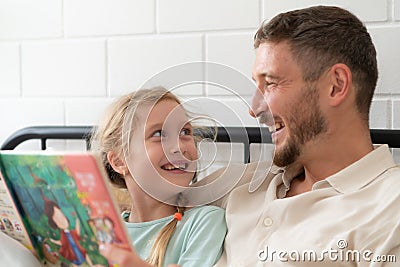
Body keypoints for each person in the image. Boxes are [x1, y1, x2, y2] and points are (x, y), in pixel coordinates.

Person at [100, 6, 400, 267]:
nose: (254, 110)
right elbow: (147, 206)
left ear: (335, 86)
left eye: (270, 84)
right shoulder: (233, 186)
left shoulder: (389, 209)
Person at [93, 87, 227, 267]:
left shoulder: (204, 222)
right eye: (159, 134)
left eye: (185, 132)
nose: (179, 147)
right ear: (118, 161)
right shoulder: (105, 233)